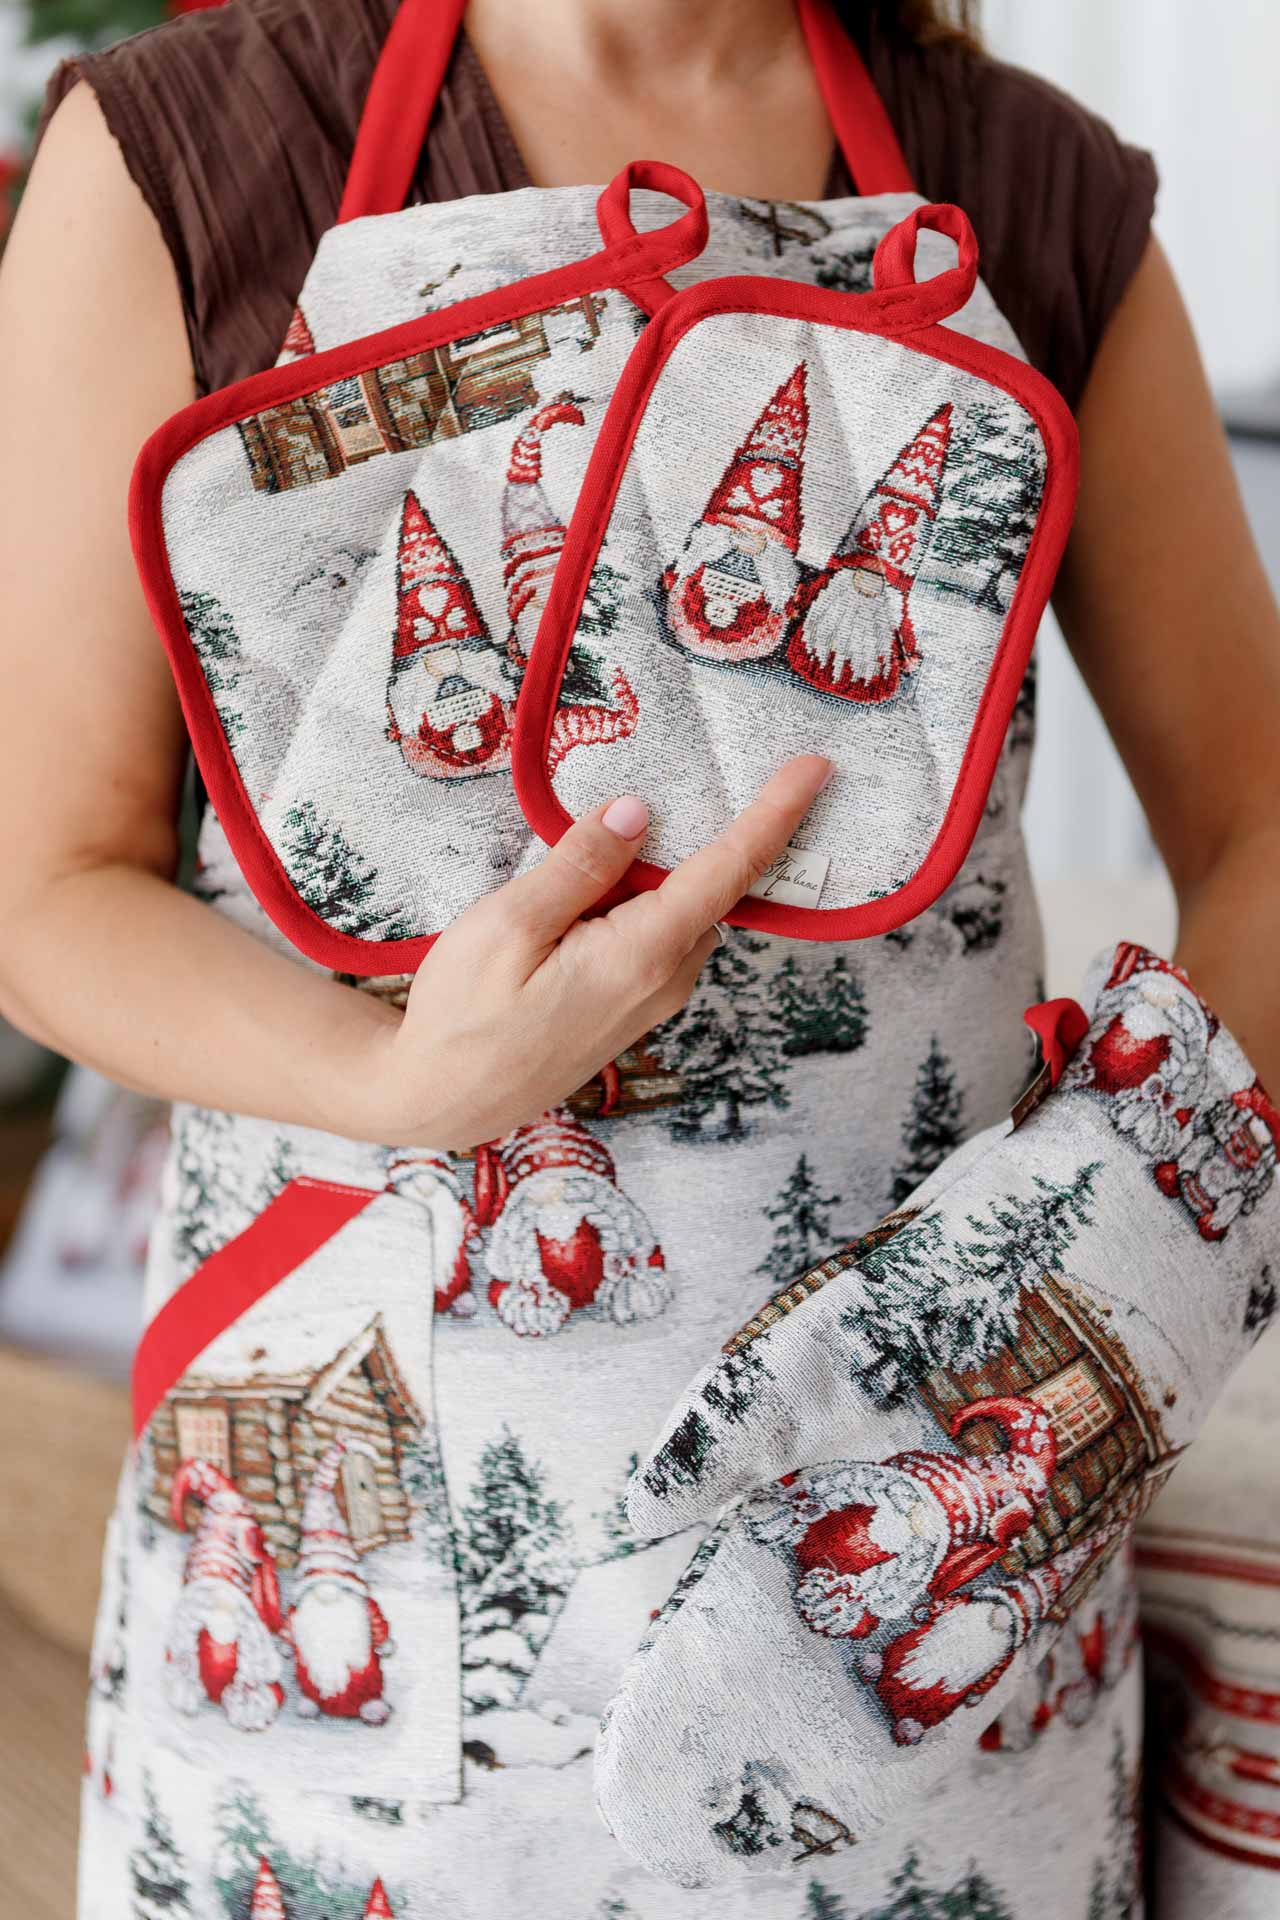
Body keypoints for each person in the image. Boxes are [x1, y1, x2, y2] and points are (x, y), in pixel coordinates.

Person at [1, 2, 1277, 1916]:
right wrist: (394, 1083)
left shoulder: (1031, 187)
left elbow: (1261, 825)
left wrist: (1082, 1276)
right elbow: (43, 887)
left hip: (922, 1590)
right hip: (369, 1619)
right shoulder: (190, 156)